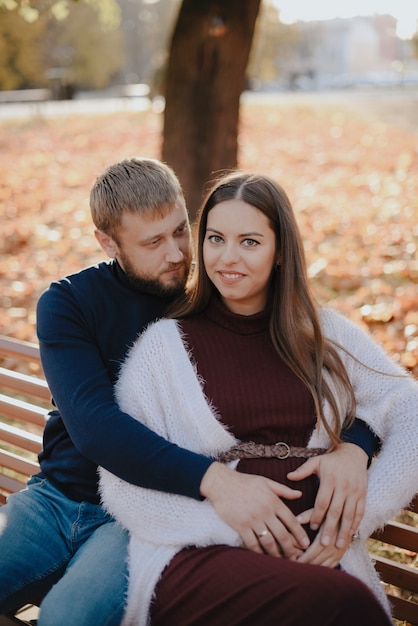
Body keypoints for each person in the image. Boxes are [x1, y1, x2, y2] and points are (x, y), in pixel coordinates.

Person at [0, 158, 377, 625]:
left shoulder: (216, 291)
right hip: (54, 501)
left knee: (66, 618)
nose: (178, 253)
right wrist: (216, 481)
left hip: (140, 513)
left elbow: (345, 386)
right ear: (107, 243)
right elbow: (95, 426)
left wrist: (355, 446)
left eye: (182, 230)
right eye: (153, 242)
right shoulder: (70, 302)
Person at [99, 170, 418, 626]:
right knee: (344, 606)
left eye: (249, 242)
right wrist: (233, 529)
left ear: (280, 250)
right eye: (215, 238)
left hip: (317, 561)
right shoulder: (163, 348)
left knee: (339, 602)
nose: (228, 258)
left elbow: (408, 407)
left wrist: (352, 512)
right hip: (199, 556)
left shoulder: (325, 334)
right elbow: (123, 483)